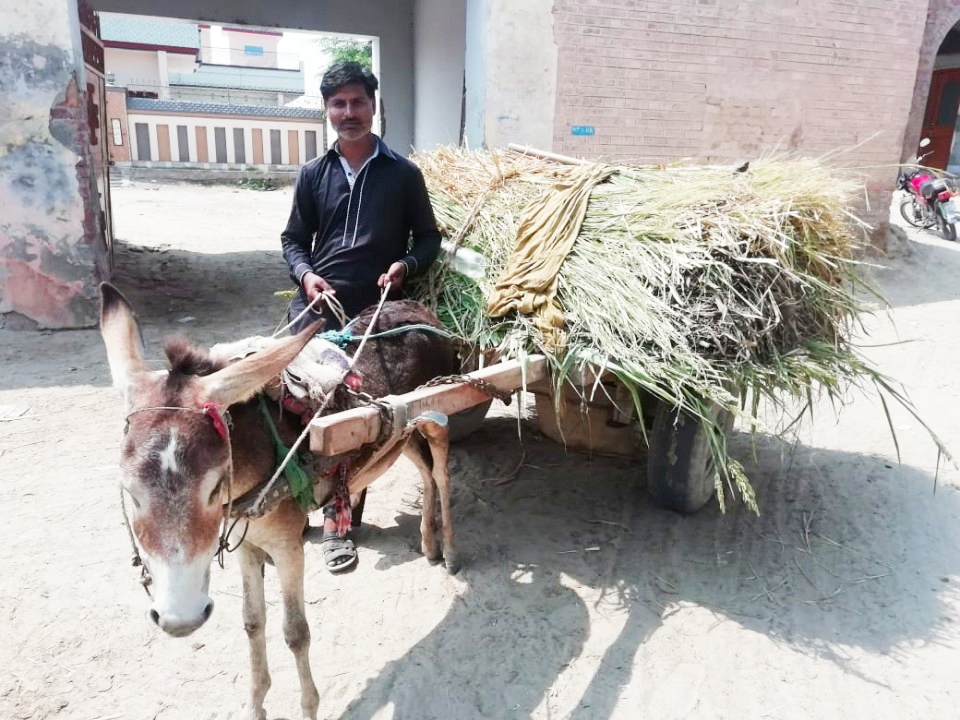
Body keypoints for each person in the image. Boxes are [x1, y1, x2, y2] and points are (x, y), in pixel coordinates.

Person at [280, 61, 441, 572]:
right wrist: (306, 275)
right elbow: (292, 241)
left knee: (353, 420)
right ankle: (295, 501)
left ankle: (339, 527)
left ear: (374, 106)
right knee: (288, 405)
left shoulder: (403, 175)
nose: (348, 113)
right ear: (327, 110)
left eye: (357, 102)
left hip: (377, 313)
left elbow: (430, 238)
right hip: (316, 308)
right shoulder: (313, 174)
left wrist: (406, 265)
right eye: (338, 104)